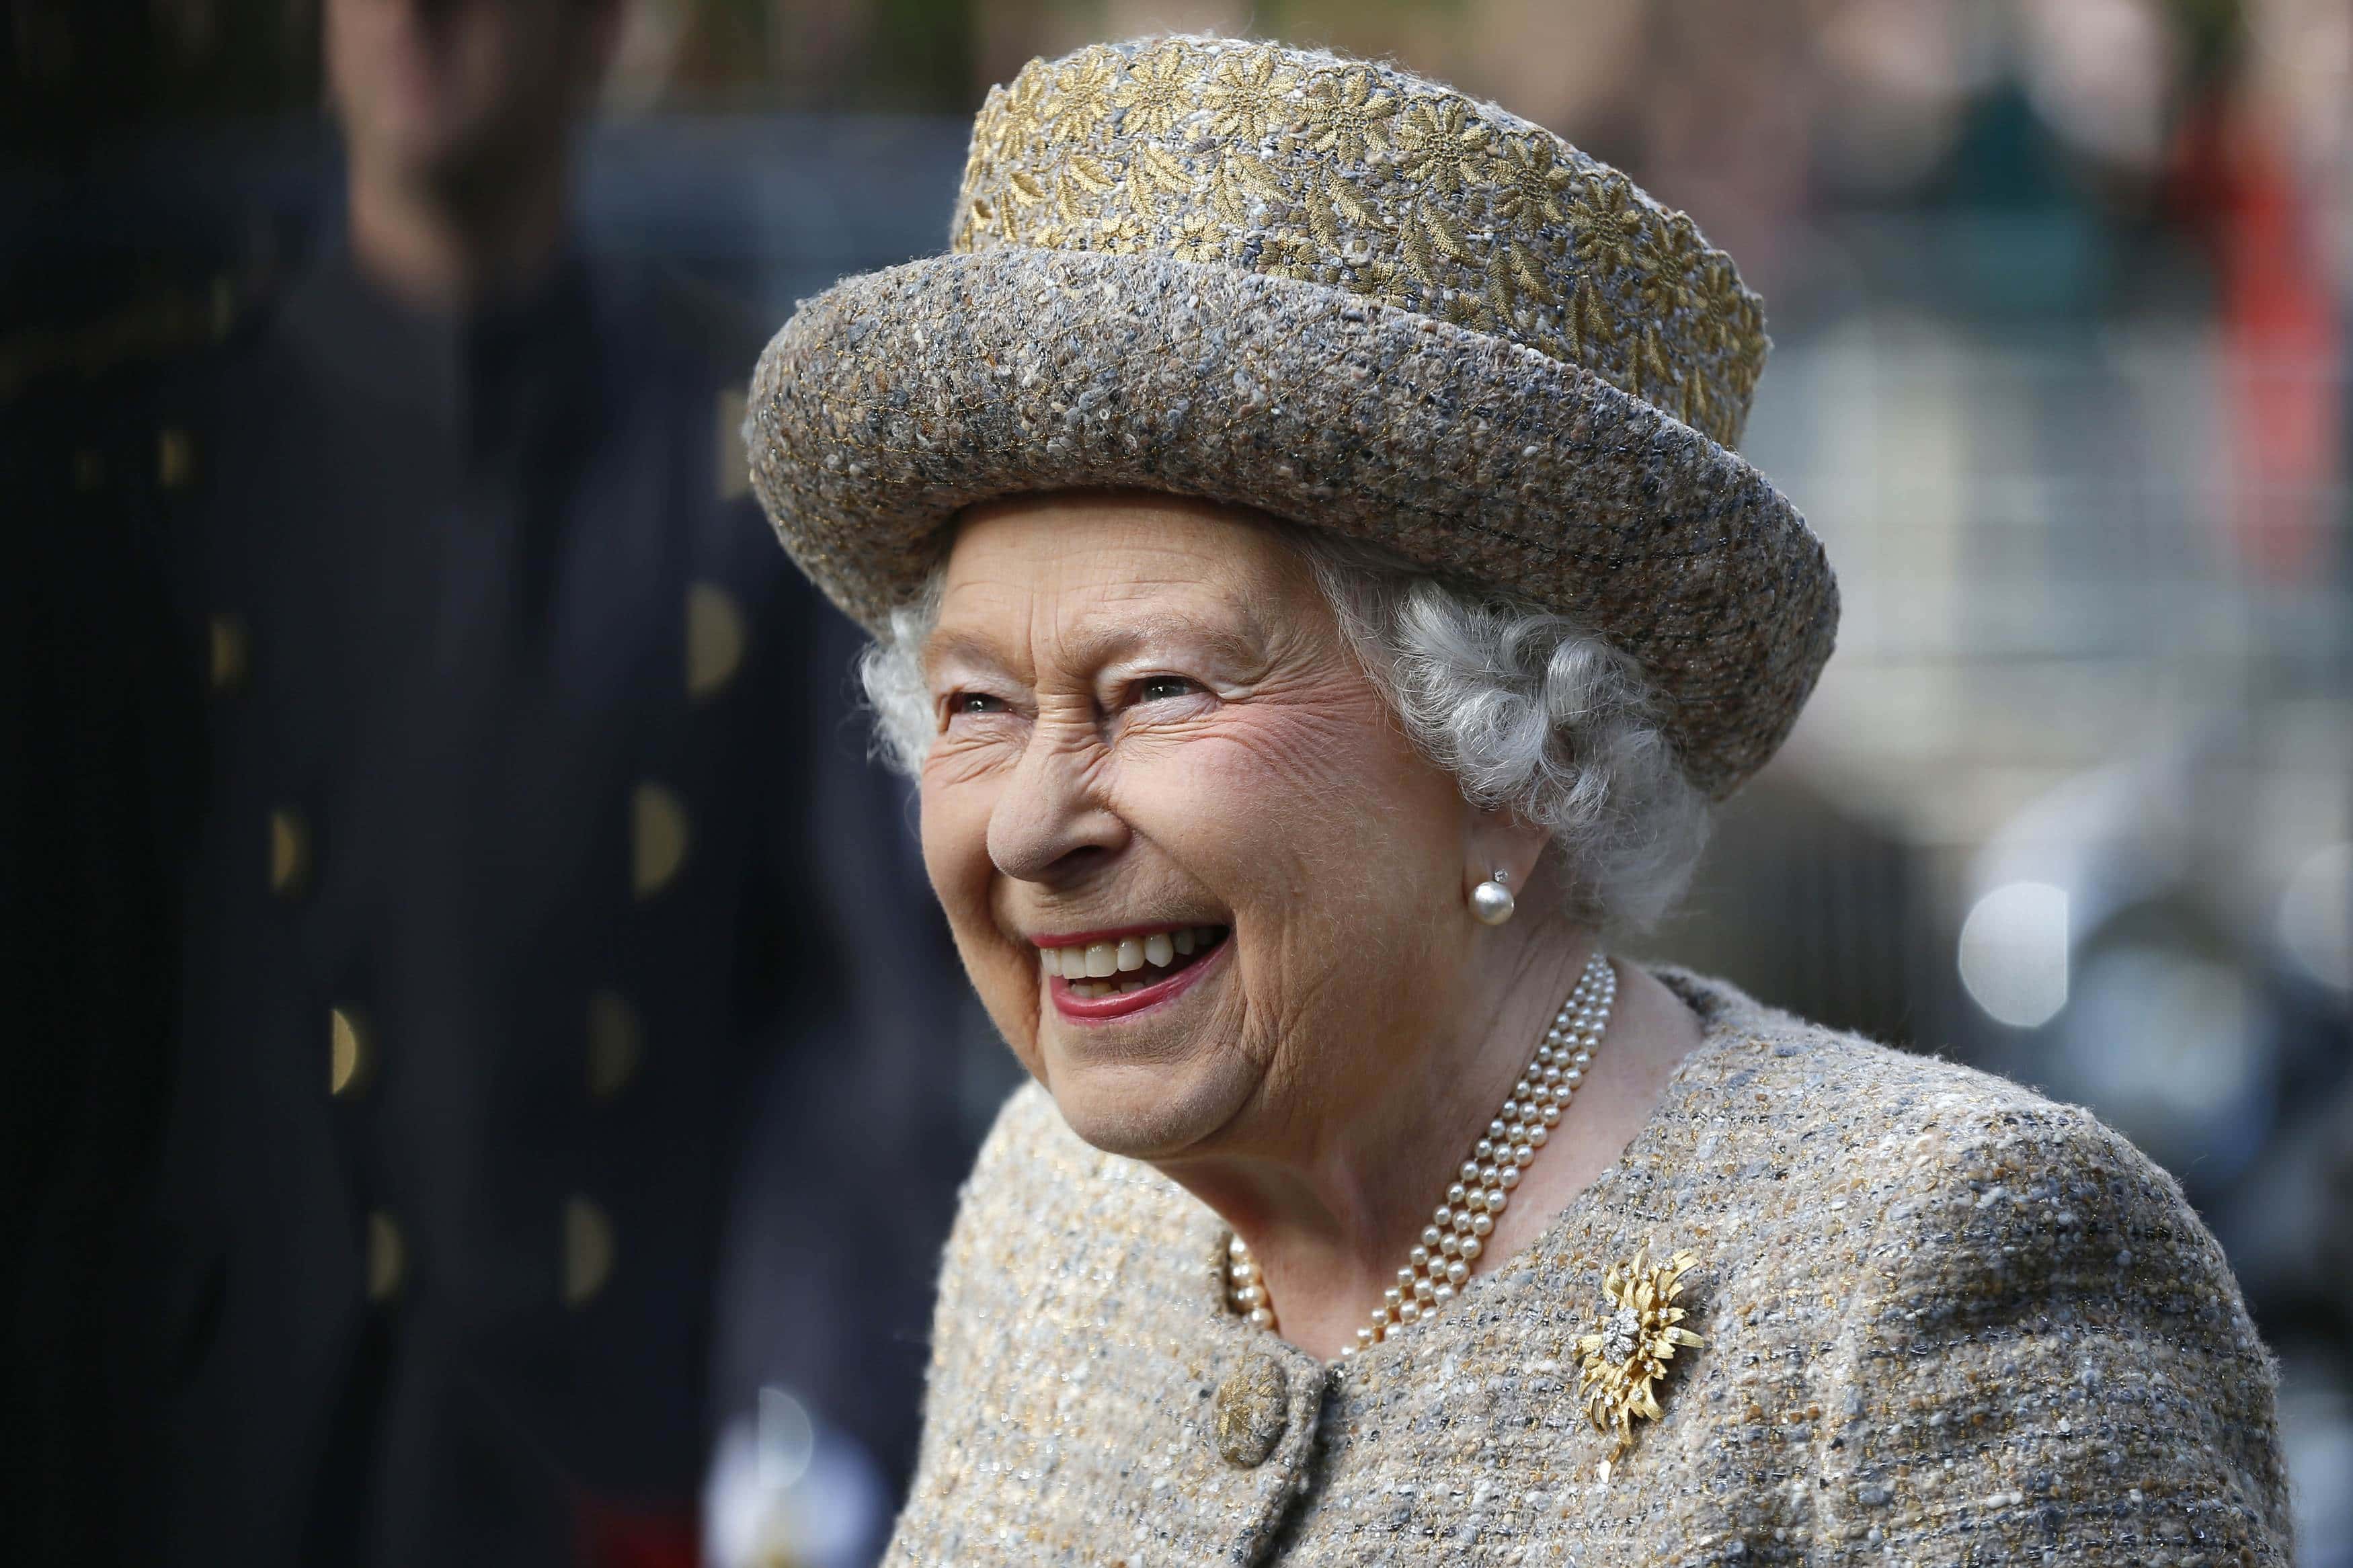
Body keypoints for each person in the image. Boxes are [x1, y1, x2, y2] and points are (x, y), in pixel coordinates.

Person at [740, 36, 2295, 1563]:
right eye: (976, 708)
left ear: (1511, 763)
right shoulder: (1051, 1216)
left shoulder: (1932, 1288)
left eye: (1155, 690)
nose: (1027, 826)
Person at [7, 0, 964, 1563]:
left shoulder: (742, 493)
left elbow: (861, 1033)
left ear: (600, 30)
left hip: (618, 1482)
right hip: (182, 1468)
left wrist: (805, 1427)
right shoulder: (116, 484)